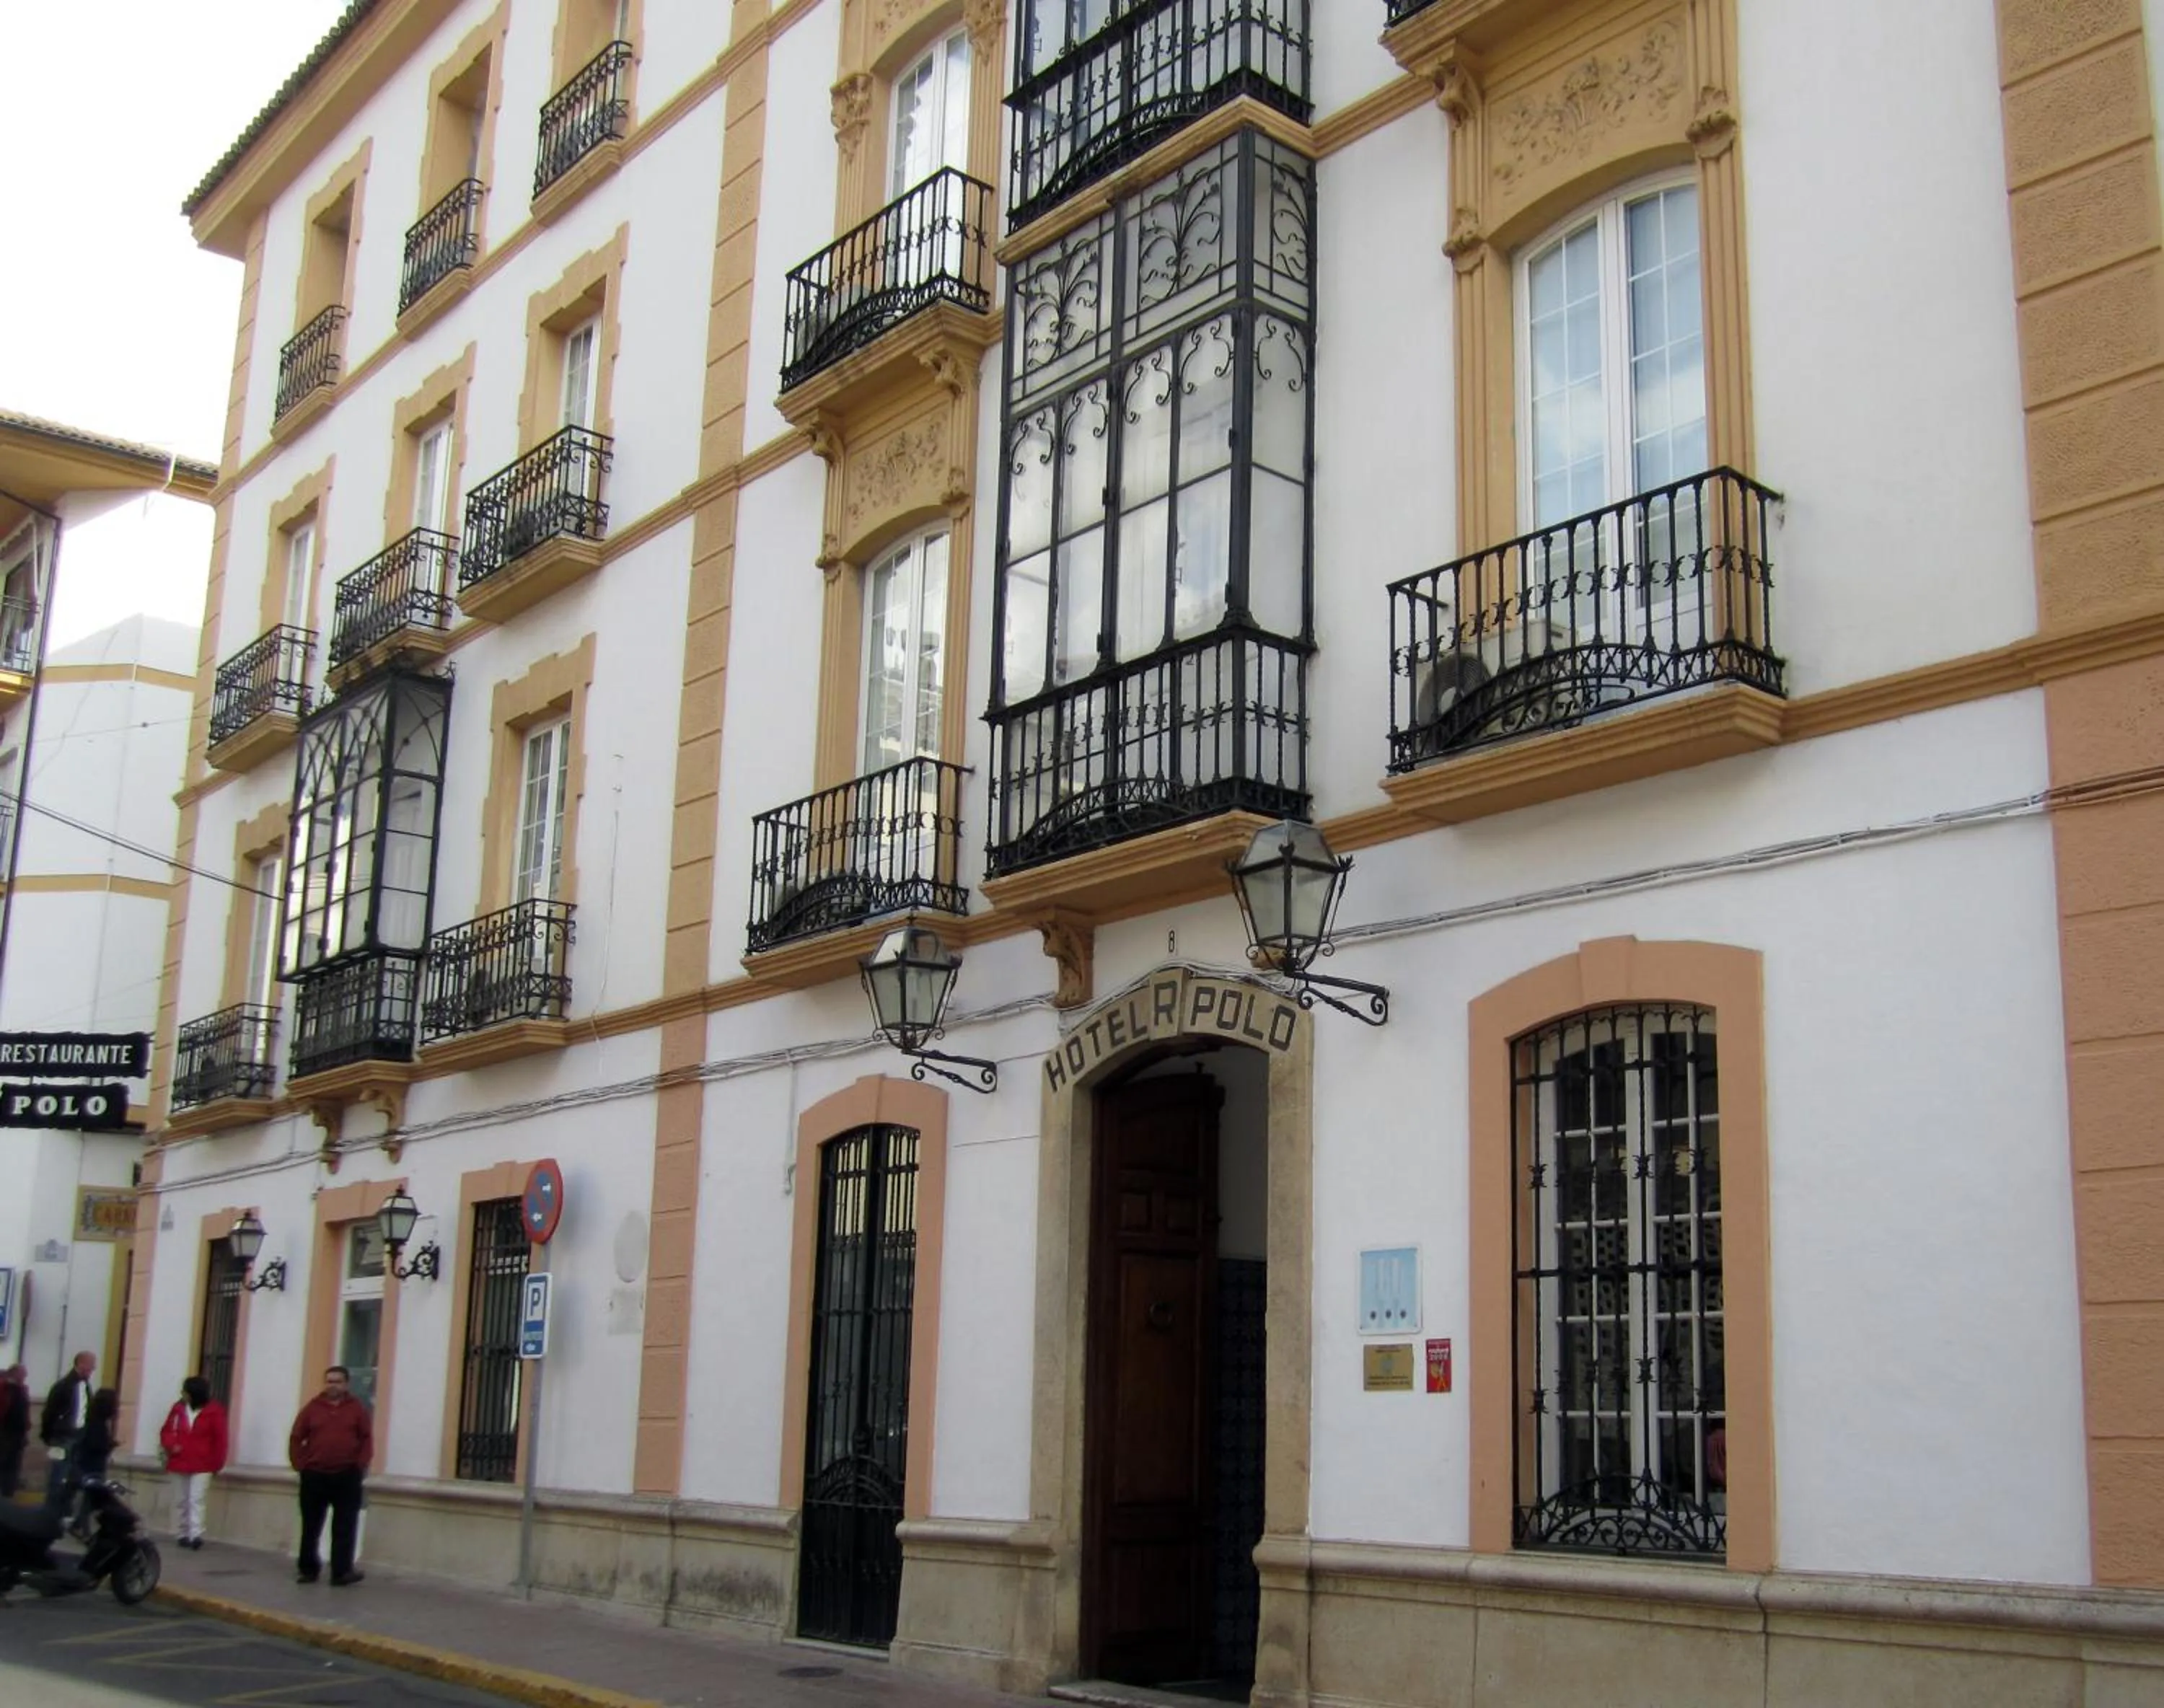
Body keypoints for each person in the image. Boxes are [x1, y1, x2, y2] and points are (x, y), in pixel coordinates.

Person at [287, 1365, 371, 1587]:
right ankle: (308, 1569)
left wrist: (360, 1465)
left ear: (346, 1384)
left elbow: (366, 1438)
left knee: (345, 1525)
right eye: (329, 1381)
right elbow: (296, 1436)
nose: (332, 1386)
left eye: (337, 1381)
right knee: (311, 1525)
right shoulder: (312, 1409)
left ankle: (342, 1572)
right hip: (315, 1475)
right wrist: (300, 1464)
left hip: (347, 1475)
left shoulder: (356, 1409)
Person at [159, 1375, 229, 1549]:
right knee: (181, 1499)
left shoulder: (214, 1411)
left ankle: (196, 1533)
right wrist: (171, 1445)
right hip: (180, 1460)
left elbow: (220, 1439)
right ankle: (182, 1532)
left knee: (196, 1499)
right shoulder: (177, 1409)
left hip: (202, 1462)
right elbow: (166, 1431)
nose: (182, 1394)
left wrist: (218, 1462)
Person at [38, 1350, 95, 1511]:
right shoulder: (63, 1386)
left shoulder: (85, 1387)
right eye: (91, 1365)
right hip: (61, 1438)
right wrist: (49, 1436)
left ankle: (65, 1509)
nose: (93, 1369)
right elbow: (49, 1413)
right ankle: (50, 1510)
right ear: (81, 1364)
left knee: (72, 1476)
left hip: (79, 1436)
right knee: (57, 1476)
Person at [63, 1387, 118, 1540]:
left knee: (90, 1499)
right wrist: (109, 1446)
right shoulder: (97, 1424)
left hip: (89, 1464)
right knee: (91, 1498)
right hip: (92, 1466)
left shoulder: (93, 1421)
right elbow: (95, 1445)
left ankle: (78, 1524)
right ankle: (80, 1527)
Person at [0, 1364, 30, 1498]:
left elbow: (24, 1411)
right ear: (14, 1374)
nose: (25, 1377)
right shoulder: (4, 1387)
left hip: (17, 1436)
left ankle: (8, 1495)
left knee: (13, 1467)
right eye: (23, 1374)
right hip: (5, 1434)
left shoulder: (22, 1390)